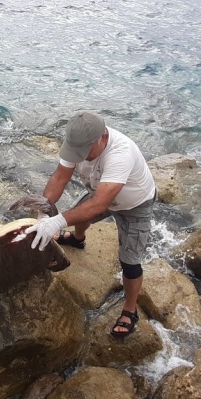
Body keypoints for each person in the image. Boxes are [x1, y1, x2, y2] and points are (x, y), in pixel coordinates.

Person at [26, 112, 156, 337]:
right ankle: (78, 239)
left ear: (102, 138)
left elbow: (99, 204)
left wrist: (58, 221)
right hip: (100, 193)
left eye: (85, 152)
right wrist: (44, 212)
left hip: (134, 205)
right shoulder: (77, 143)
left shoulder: (120, 153)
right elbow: (59, 178)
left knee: (130, 263)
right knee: (80, 217)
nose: (80, 157)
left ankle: (130, 309)